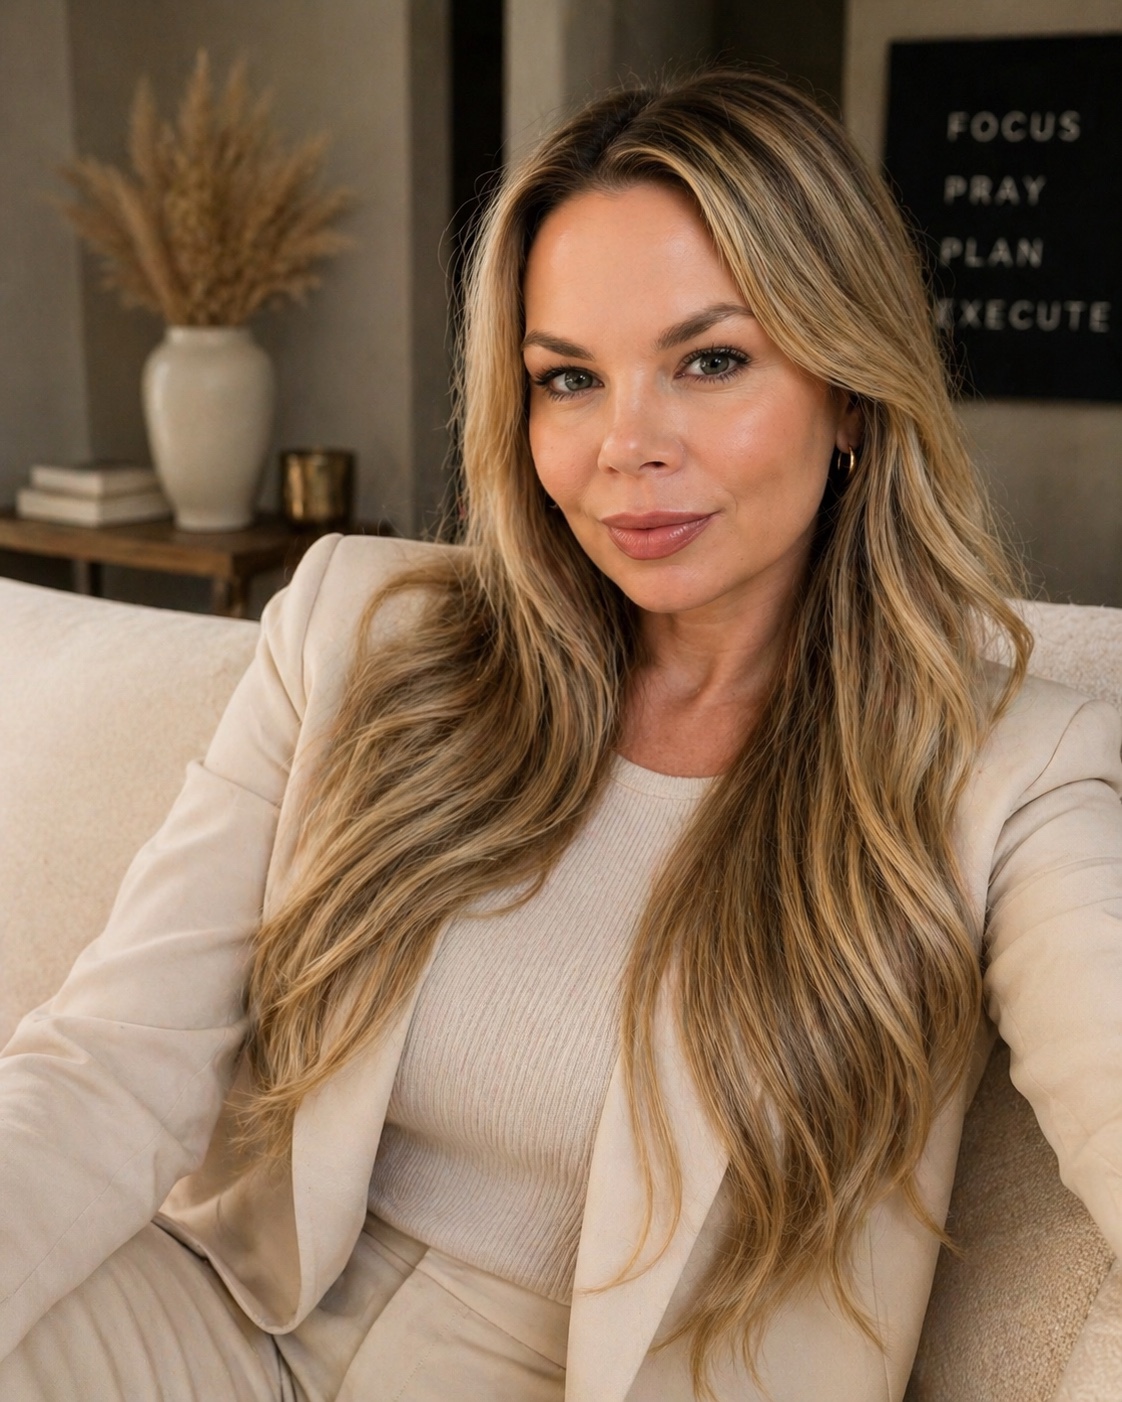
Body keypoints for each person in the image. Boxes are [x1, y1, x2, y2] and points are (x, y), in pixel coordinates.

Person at [2, 69, 1122, 1402]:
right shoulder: (362, 631)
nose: (623, 446)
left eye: (711, 361)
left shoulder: (1009, 774)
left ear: (849, 391)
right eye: (569, 379)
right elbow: (111, 1059)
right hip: (218, 1330)